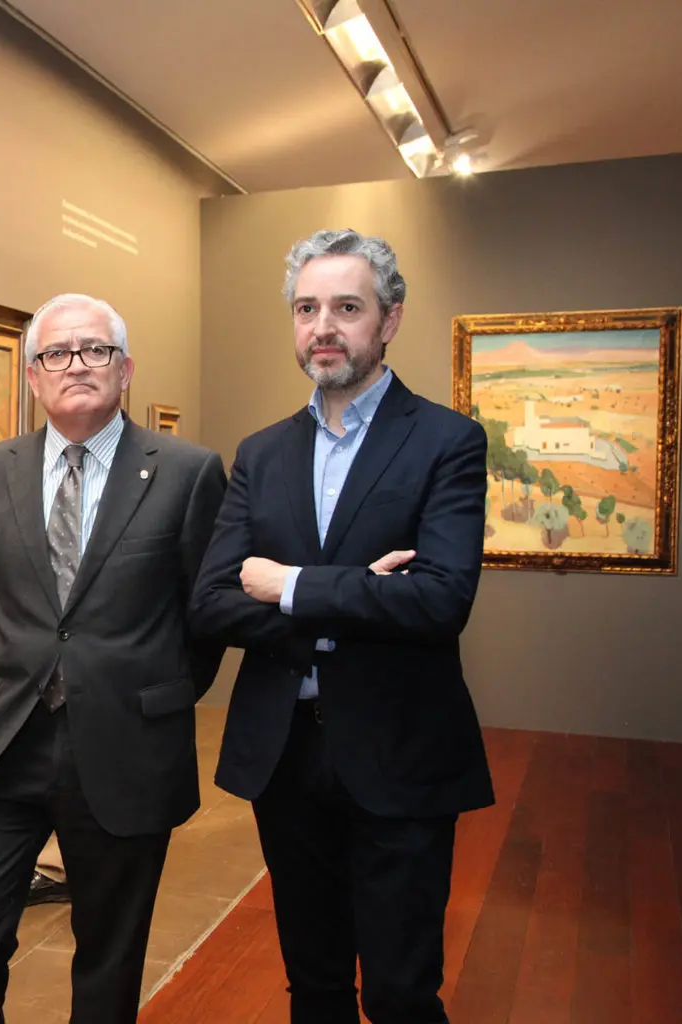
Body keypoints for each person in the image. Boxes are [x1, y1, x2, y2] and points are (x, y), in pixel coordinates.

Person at [190, 229, 493, 1023]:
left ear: (389, 320)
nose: (322, 326)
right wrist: (356, 598)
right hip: (285, 756)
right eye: (306, 309)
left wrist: (288, 585)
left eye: (347, 308)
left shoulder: (447, 441)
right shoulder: (262, 453)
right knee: (315, 985)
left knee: (401, 993)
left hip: (401, 751)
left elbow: (439, 601)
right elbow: (212, 600)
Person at [0, 293, 228, 1023]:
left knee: (109, 950)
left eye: (96, 350)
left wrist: (145, 688)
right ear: (33, 376)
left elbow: (204, 617)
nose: (76, 365)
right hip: (5, 738)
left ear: (125, 369)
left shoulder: (187, 472)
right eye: (56, 353)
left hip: (127, 741)